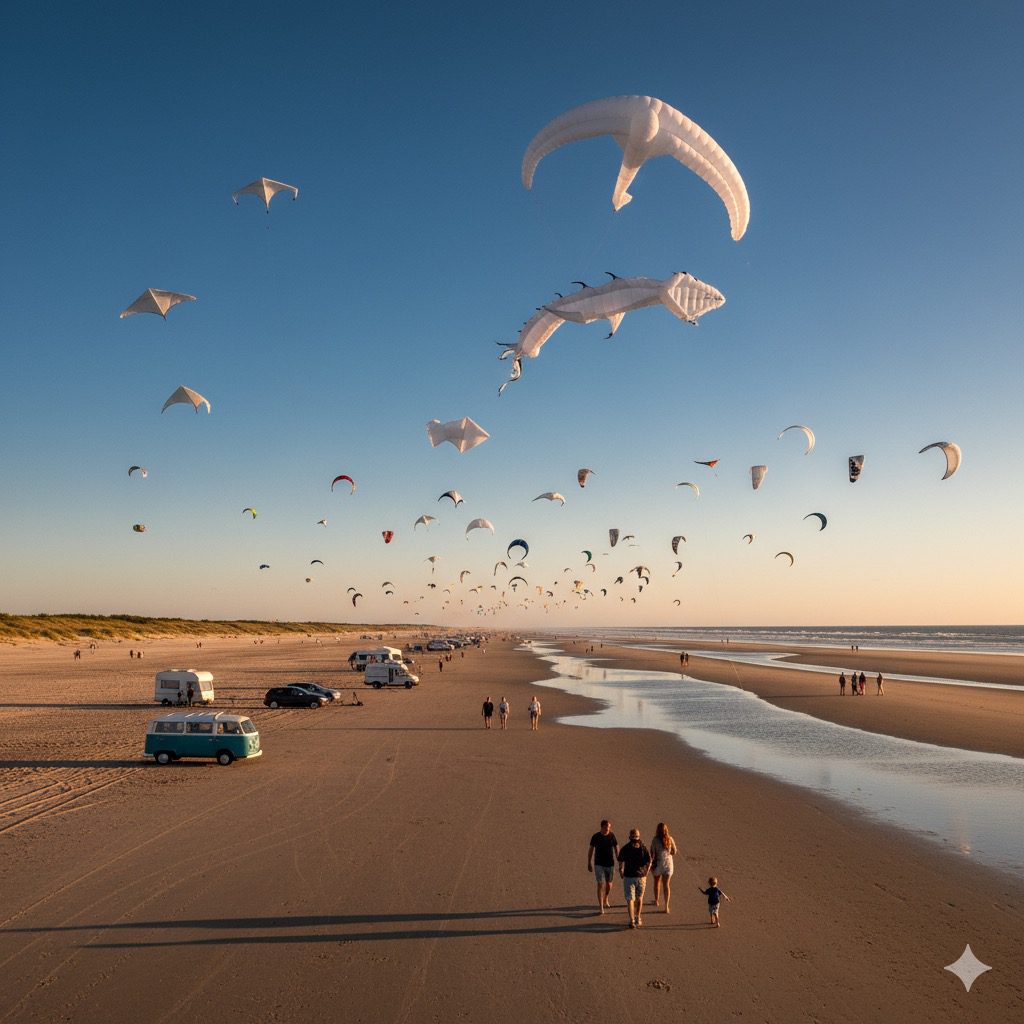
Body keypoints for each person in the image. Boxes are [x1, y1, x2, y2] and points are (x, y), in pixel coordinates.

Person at [617, 828, 652, 928]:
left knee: (630, 899)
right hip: (641, 876)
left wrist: (621, 869)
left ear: (630, 836)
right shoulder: (643, 847)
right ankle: (638, 917)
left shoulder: (626, 847)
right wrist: (646, 872)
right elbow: (649, 860)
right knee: (639, 898)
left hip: (629, 876)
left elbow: (620, 859)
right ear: (638, 836)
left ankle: (632, 920)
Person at [587, 820, 619, 914]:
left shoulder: (612, 836)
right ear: (602, 827)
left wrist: (620, 860)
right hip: (598, 864)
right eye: (606, 827)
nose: (607, 829)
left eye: (609, 827)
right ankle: (601, 907)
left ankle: (606, 898)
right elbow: (591, 850)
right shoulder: (596, 836)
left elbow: (616, 848)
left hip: (610, 864)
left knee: (609, 884)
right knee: (600, 883)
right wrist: (589, 862)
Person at [649, 822, 678, 913]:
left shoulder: (655, 840)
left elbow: (652, 853)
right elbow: (674, 851)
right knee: (666, 885)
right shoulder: (670, 839)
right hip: (668, 864)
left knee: (657, 882)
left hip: (658, 864)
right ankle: (666, 907)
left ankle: (657, 901)